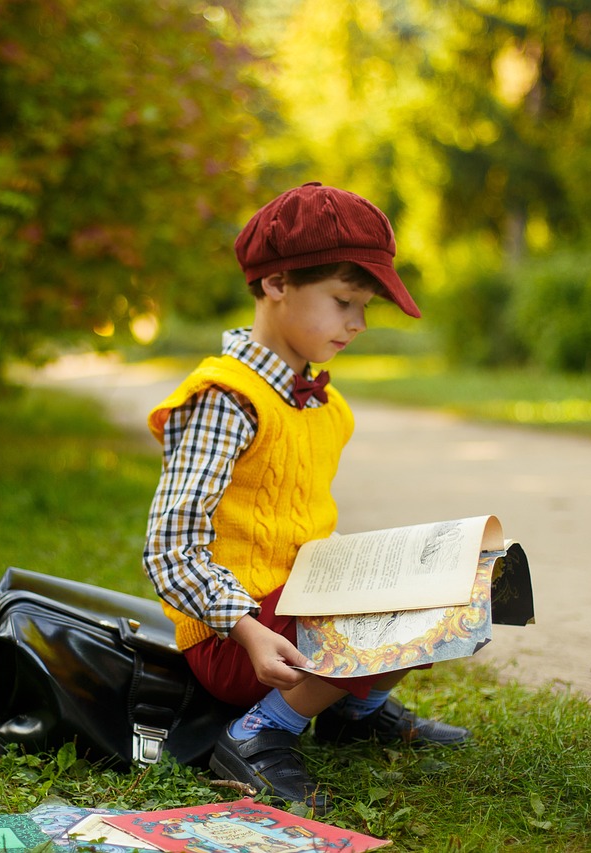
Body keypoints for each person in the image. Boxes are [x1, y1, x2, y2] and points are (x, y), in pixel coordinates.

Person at [142, 182, 469, 813]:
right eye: (345, 301)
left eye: (365, 306)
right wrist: (246, 631)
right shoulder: (226, 400)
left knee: (452, 577)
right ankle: (259, 732)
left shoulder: (324, 405)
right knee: (397, 607)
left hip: (298, 602)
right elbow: (169, 550)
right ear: (276, 283)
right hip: (238, 638)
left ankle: (354, 713)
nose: (358, 323)